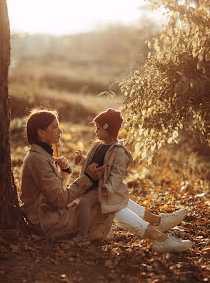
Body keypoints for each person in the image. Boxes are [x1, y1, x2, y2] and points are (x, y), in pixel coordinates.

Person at [72, 108, 192, 253]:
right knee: (116, 204)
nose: (96, 132)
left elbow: (117, 174)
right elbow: (92, 163)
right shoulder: (97, 145)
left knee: (114, 202)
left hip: (105, 189)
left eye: (98, 128)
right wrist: (82, 160)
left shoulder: (119, 151)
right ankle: (159, 227)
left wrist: (108, 187)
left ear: (108, 129)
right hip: (95, 188)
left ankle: (160, 232)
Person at [20, 108, 111, 241]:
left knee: (107, 196)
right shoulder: (37, 160)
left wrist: (65, 172)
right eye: (55, 127)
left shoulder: (42, 155)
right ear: (41, 133)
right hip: (49, 223)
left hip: (51, 216)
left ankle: (147, 225)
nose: (60, 130)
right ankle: (147, 230)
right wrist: (88, 178)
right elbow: (59, 200)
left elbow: (55, 193)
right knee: (106, 200)